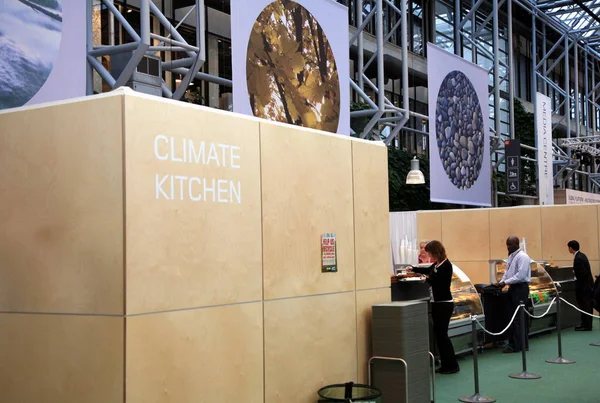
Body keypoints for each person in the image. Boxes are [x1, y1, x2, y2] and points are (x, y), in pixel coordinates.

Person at [409, 240, 460, 374]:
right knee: (440, 336)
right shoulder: (437, 264)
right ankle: (447, 364)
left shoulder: (446, 266)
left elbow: (440, 283)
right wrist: (413, 269)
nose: (429, 255)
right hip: (437, 303)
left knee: (442, 336)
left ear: (436, 252)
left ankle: (452, 365)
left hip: (444, 304)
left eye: (430, 252)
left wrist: (425, 279)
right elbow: (428, 270)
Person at [494, 236, 531, 353]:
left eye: (510, 245)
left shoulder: (523, 257)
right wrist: (501, 282)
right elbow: (507, 272)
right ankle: (519, 343)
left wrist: (505, 282)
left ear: (517, 244)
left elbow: (520, 275)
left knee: (518, 318)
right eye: (507, 245)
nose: (508, 247)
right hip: (513, 288)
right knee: (515, 317)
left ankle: (517, 345)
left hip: (520, 288)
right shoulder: (511, 257)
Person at [568, 240, 594, 331]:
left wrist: (576, 272)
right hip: (587, 285)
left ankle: (586, 325)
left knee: (584, 305)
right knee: (586, 304)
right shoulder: (582, 255)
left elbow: (583, 273)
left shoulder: (578, 258)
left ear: (571, 248)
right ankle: (586, 323)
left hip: (583, 286)